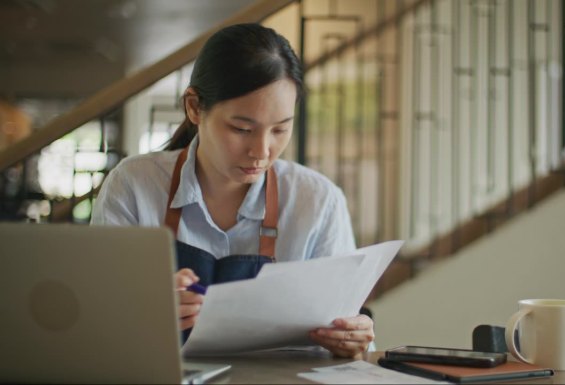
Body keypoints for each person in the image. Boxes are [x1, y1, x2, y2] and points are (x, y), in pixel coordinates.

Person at [91, 23, 373, 358]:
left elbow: (346, 326)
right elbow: (95, 317)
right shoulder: (134, 185)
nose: (262, 151)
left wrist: (354, 339)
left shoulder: (318, 201)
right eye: (242, 128)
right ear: (194, 107)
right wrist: (142, 310)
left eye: (281, 129)